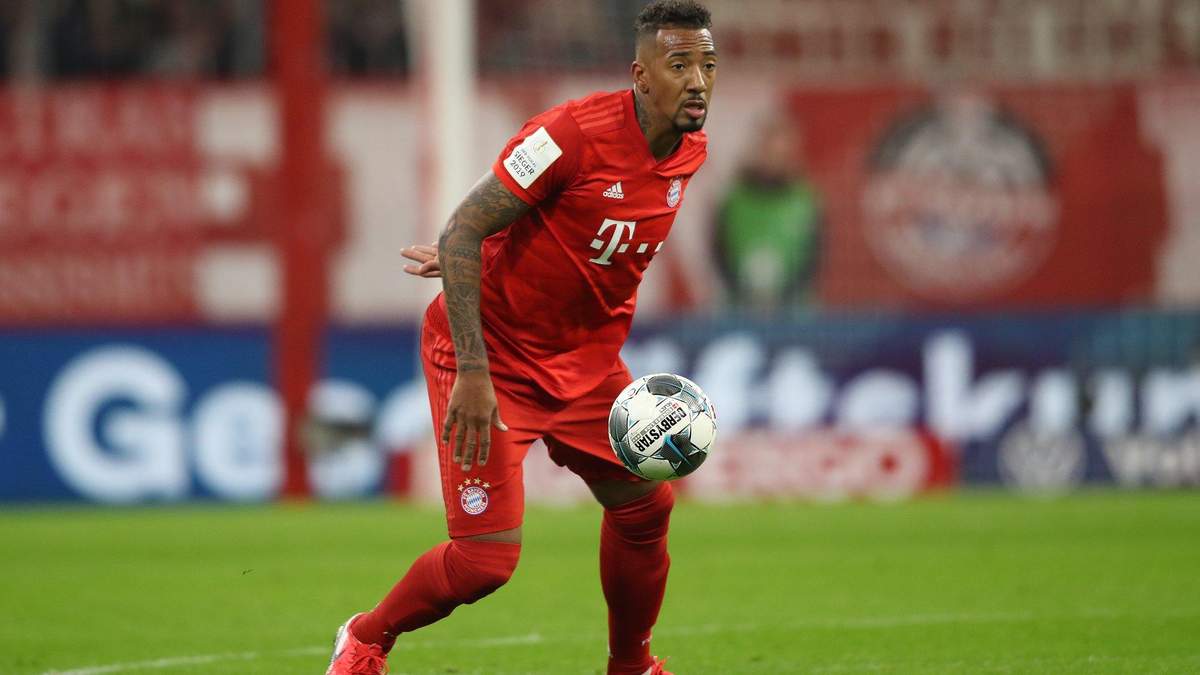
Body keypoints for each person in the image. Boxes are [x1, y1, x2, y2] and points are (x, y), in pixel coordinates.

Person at [325, 2, 717, 674]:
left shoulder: (689, 151)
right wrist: (474, 372)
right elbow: (461, 229)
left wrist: (487, 250)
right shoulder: (568, 135)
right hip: (492, 357)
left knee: (645, 507)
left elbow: (570, 234)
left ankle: (631, 667)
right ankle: (365, 637)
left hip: (588, 364)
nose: (698, 81)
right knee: (484, 561)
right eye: (679, 65)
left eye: (708, 65)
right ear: (641, 75)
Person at [714, 115, 822, 311]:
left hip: (793, 312)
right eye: (767, 149)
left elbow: (814, 257)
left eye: (779, 151)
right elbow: (719, 251)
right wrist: (742, 290)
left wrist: (786, 294)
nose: (772, 158)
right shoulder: (733, 200)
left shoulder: (805, 201)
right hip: (739, 310)